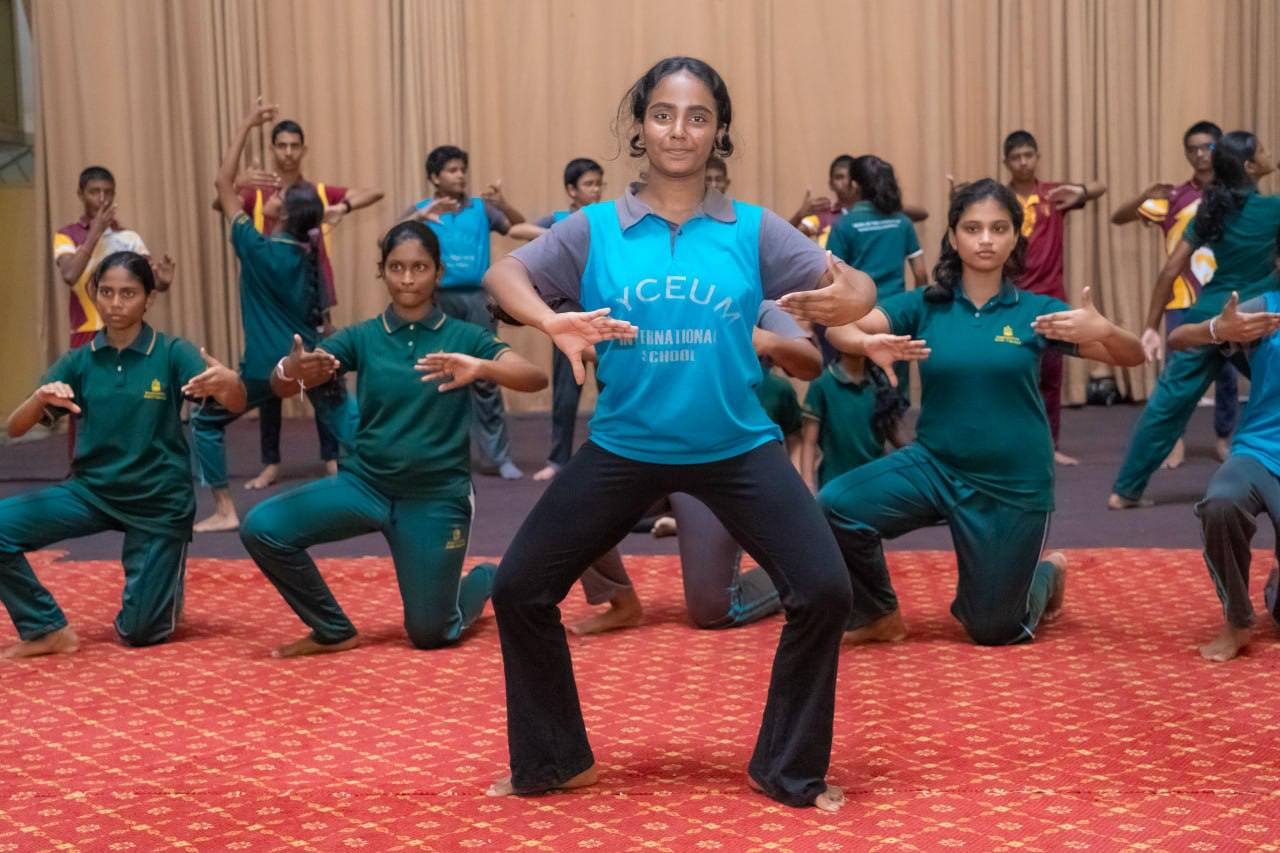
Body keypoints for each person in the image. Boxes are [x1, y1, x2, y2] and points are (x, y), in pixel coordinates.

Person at [483, 56, 876, 811]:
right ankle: (555, 759)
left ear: (718, 131)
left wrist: (843, 297)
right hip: (625, 445)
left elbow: (851, 287)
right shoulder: (593, 228)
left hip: (736, 445)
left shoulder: (753, 229)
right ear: (641, 125)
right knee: (520, 586)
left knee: (825, 588)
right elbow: (507, 277)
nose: (678, 130)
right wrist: (550, 319)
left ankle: (787, 768)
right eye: (663, 113)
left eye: (698, 117)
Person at [815, 179, 1142, 648]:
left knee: (993, 629)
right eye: (972, 228)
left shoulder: (1037, 312)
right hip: (936, 465)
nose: (985, 239)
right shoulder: (926, 305)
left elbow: (1130, 358)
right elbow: (845, 328)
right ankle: (878, 614)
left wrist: (1106, 328)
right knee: (836, 505)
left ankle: (1045, 575)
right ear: (953, 237)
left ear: (1014, 238)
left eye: (998, 228)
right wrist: (866, 342)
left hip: (1012, 483)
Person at [238, 221, 546, 657]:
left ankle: (481, 580)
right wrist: (291, 370)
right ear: (381, 270)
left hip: (436, 497)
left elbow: (534, 377)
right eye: (396, 267)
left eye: (419, 267)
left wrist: (482, 368)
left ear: (438, 272)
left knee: (431, 634)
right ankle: (332, 629)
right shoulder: (363, 336)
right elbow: (285, 383)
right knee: (262, 528)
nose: (407, 278)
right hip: (366, 486)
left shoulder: (465, 336)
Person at [0, 252, 245, 658]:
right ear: (95, 294)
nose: (116, 303)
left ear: (148, 298)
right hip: (92, 491)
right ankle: (45, 629)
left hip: (158, 501)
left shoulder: (171, 352)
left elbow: (235, 403)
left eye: (128, 293)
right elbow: (15, 428)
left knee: (141, 633)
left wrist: (230, 381)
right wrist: (40, 398)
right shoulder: (80, 360)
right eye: (107, 292)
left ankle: (162, 585)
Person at [569, 300, 824, 636]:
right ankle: (621, 602)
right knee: (573, 504)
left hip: (717, 468)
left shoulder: (753, 301)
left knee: (712, 612)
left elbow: (812, 361)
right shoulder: (643, 294)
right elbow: (603, 350)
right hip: (648, 457)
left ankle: (799, 572)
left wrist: (768, 341)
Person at [192, 99, 358, 533]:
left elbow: (222, 183)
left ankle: (225, 510)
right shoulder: (306, 260)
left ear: (282, 214)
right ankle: (380, 494)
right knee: (352, 428)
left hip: (265, 371)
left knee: (206, 423)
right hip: (309, 364)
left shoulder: (256, 247)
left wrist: (247, 122)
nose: (273, 194)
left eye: (280, 195)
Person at [1111, 131, 1280, 509]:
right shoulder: (1273, 209)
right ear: (1250, 166)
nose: (1271, 153)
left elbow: (1171, 269)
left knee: (1166, 405)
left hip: (1209, 318)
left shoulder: (1212, 209)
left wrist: (1150, 327)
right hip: (1256, 319)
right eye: (1265, 151)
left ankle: (1125, 491)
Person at [217, 117, 385, 491]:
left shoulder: (309, 197)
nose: (289, 152)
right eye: (282, 145)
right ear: (274, 150)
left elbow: (221, 190)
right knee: (320, 387)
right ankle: (303, 461)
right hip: (289, 300)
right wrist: (243, 184)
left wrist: (340, 209)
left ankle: (337, 459)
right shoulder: (264, 196)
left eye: (295, 145)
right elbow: (223, 195)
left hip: (299, 302)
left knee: (307, 383)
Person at [404, 145, 545, 480]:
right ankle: (442, 457)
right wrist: (419, 218)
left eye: (462, 169)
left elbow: (518, 227)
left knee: (487, 375)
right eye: (452, 170)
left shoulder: (482, 209)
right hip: (439, 302)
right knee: (440, 375)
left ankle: (499, 458)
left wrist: (504, 204)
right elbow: (389, 238)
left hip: (479, 299)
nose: (460, 175)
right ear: (435, 178)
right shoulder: (423, 210)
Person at [1112, 121, 1236, 469]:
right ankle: (1175, 440)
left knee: (1227, 372)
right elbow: (1118, 217)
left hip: (1226, 298)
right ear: (1186, 153)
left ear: (1220, 149)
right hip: (1182, 299)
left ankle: (1225, 438)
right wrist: (1144, 195)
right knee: (1177, 376)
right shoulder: (1174, 198)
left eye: (1208, 147)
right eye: (1193, 148)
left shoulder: (1235, 197)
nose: (1200, 154)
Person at [1166, 292, 1280, 661]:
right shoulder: (1266, 310)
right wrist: (1219, 328)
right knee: (1221, 503)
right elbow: (1178, 338)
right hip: (1259, 451)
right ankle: (1237, 620)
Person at [997, 130, 1107, 466]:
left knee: (1050, 374)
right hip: (1008, 296)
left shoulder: (1054, 194)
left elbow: (1101, 186)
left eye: (1029, 155)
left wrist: (1081, 191)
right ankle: (1008, 445)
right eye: (1016, 157)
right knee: (1006, 372)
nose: (1023, 162)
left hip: (1050, 297)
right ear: (1006, 162)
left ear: (1037, 157)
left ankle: (1050, 445)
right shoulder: (999, 199)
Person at [53, 166, 175, 456]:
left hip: (127, 330)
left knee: (126, 398)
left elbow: (149, 281)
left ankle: (128, 461)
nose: (102, 198)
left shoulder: (129, 238)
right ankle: (80, 468)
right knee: (81, 403)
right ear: (81, 194)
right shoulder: (66, 235)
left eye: (108, 192)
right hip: (86, 332)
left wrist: (163, 281)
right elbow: (70, 274)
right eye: (95, 192)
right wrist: (95, 232)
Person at [826, 154, 928, 396]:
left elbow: (830, 277)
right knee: (895, 392)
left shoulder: (845, 225)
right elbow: (922, 274)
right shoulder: (902, 222)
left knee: (862, 393)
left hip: (860, 320)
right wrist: (916, 310)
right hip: (897, 316)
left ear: (855, 185)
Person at [532, 158, 606, 482]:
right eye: (589, 184)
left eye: (598, 183)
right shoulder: (556, 221)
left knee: (612, 390)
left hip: (604, 315)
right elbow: (523, 231)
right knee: (565, 394)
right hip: (567, 314)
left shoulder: (607, 221)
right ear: (571, 190)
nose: (596, 190)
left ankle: (611, 455)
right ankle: (558, 460)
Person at [801, 353, 907, 491]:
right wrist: (808, 485)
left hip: (876, 481)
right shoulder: (822, 383)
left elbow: (892, 433)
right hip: (836, 483)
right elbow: (809, 443)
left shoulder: (881, 383)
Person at [790, 154, 928, 248]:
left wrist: (886, 203)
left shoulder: (877, 213)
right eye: (839, 177)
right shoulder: (823, 215)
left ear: (857, 181)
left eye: (849, 177)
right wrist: (799, 215)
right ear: (830, 183)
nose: (845, 182)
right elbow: (785, 239)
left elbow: (923, 214)